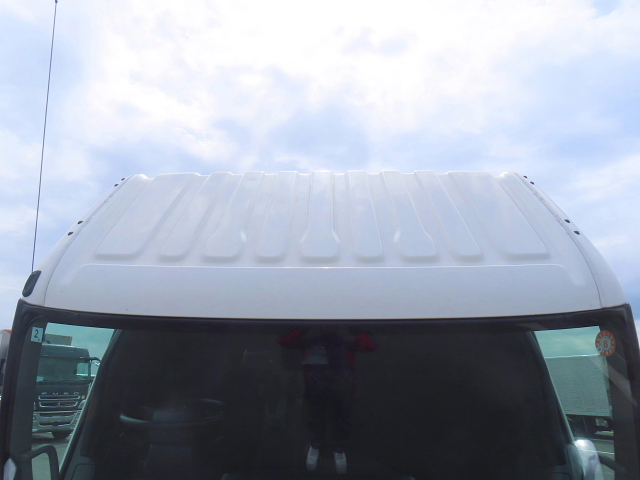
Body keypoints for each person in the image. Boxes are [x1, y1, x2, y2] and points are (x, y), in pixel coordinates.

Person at [278, 325, 378, 474]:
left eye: (332, 324)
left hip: (342, 385)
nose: (328, 327)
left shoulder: (347, 342)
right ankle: (315, 446)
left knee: (342, 418)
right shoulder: (311, 341)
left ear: (337, 327)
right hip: (316, 384)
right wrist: (305, 325)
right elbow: (284, 341)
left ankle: (339, 450)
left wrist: (353, 326)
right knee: (315, 416)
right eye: (325, 324)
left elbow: (371, 346)